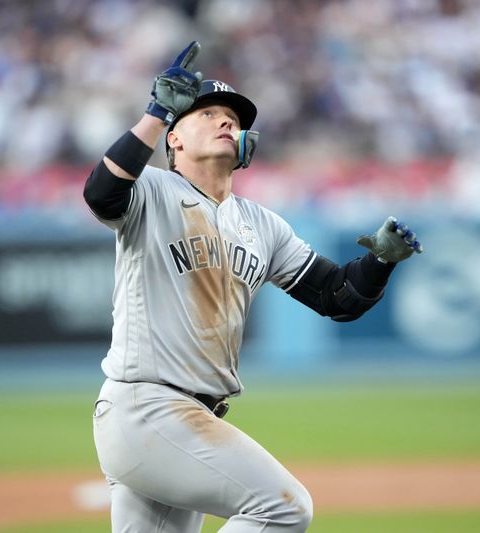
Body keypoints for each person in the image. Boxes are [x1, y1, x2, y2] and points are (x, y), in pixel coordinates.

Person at [83, 41, 422, 532]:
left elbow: (337, 297)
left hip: (189, 420)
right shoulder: (153, 189)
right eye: (208, 113)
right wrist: (155, 113)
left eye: (233, 118)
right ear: (174, 139)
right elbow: (101, 193)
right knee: (283, 508)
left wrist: (379, 262)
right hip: (146, 407)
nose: (226, 121)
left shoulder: (262, 225)